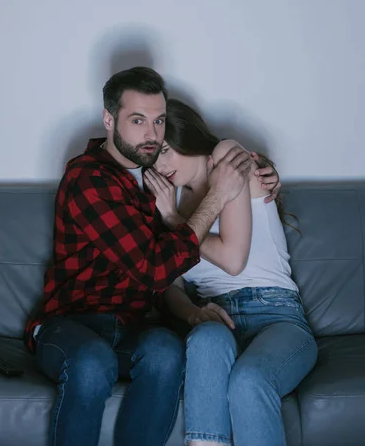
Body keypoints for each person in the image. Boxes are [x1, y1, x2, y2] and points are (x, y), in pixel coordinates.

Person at [24, 68, 279, 446]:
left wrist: (264, 174)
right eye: (137, 120)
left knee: (165, 351)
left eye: (158, 121)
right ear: (109, 120)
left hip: (127, 329)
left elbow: (173, 269)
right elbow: (154, 269)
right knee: (93, 361)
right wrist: (217, 196)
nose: (151, 134)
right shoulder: (89, 178)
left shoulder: (155, 183)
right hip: (70, 325)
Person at [145, 98, 318, 446]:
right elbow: (169, 287)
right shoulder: (168, 196)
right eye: (153, 157)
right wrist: (193, 314)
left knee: (249, 380)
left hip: (276, 315)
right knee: (206, 339)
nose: (161, 165)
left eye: (165, 150)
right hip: (215, 315)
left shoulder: (225, 156)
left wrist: (175, 223)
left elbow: (233, 259)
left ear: (184, 134)